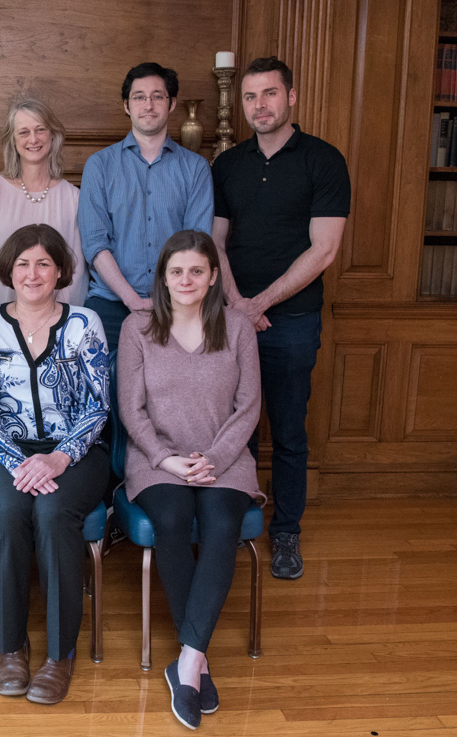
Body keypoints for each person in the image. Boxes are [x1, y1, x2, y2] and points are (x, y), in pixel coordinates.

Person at [117, 230, 264, 730]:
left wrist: (216, 459)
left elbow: (249, 407)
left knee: (223, 524)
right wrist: (167, 460)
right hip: (158, 462)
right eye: (176, 271)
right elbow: (131, 411)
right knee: (175, 520)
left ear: (214, 277)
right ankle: (195, 660)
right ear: (162, 276)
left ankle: (188, 659)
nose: (186, 280)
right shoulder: (137, 328)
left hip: (225, 459)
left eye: (197, 271)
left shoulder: (238, 327)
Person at [211, 56, 350, 580]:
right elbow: (215, 241)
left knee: (288, 430)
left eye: (269, 94)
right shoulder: (227, 165)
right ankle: (234, 521)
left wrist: (260, 304)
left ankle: (286, 531)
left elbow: (325, 250)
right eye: (250, 97)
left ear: (291, 97)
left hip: (290, 322)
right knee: (234, 427)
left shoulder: (323, 160)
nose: (259, 105)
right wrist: (238, 305)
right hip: (229, 316)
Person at [0, 223, 110, 705]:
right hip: (2, 451)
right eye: (23, 263)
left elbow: (98, 405)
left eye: (44, 263)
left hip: (78, 450)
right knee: (6, 514)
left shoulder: (84, 323)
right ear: (9, 269)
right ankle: (11, 648)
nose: (33, 273)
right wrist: (18, 462)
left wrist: (59, 456)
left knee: (53, 514)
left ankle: (59, 654)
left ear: (60, 271)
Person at [79, 62, 214, 349]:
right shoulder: (100, 166)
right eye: (139, 97)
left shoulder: (195, 168)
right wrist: (132, 300)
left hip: (178, 304)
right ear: (127, 106)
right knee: (108, 392)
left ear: (172, 103)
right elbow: (95, 244)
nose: (148, 105)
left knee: (173, 393)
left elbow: (197, 244)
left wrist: (170, 299)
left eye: (157, 96)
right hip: (110, 304)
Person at [0, 97, 87, 316]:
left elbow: (76, 272)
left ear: (53, 135)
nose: (33, 139)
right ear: (12, 140)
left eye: (40, 129)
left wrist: (67, 319)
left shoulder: (73, 197)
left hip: (55, 322)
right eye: (23, 132)